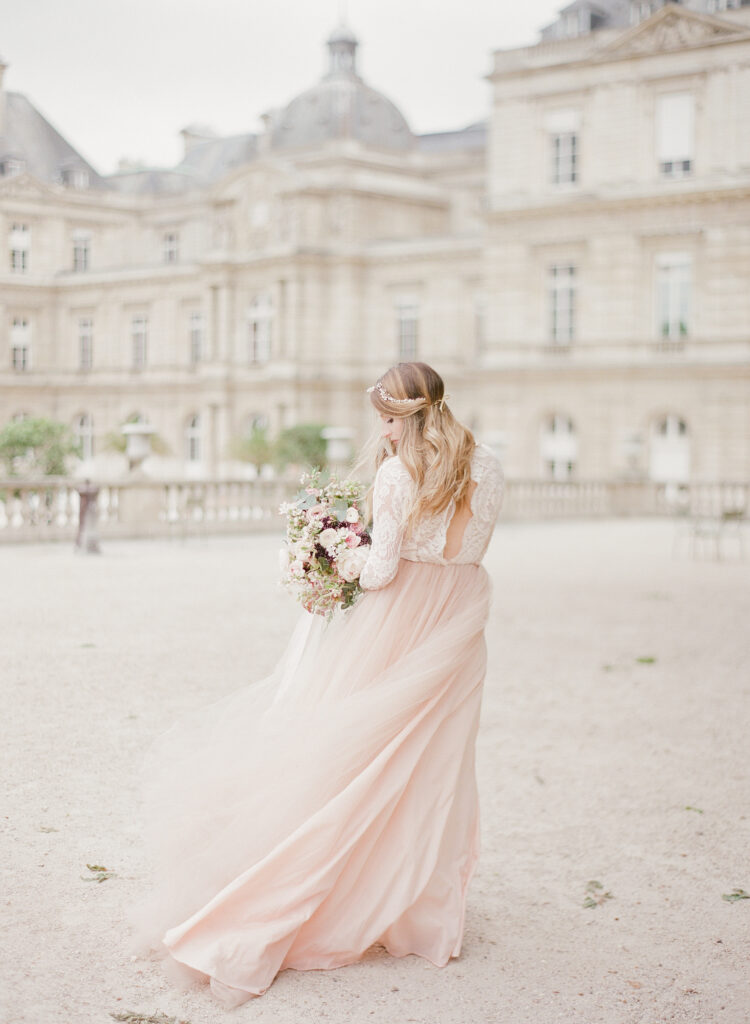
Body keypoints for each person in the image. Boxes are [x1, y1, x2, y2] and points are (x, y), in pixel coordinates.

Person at [129, 361, 504, 1008]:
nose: (381, 432)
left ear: (401, 416)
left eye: (385, 419)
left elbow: (383, 572)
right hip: (461, 619)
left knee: (353, 765)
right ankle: (418, 913)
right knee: (433, 768)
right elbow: (472, 549)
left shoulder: (396, 472)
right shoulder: (488, 461)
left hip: (401, 621)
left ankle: (294, 904)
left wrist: (328, 553)